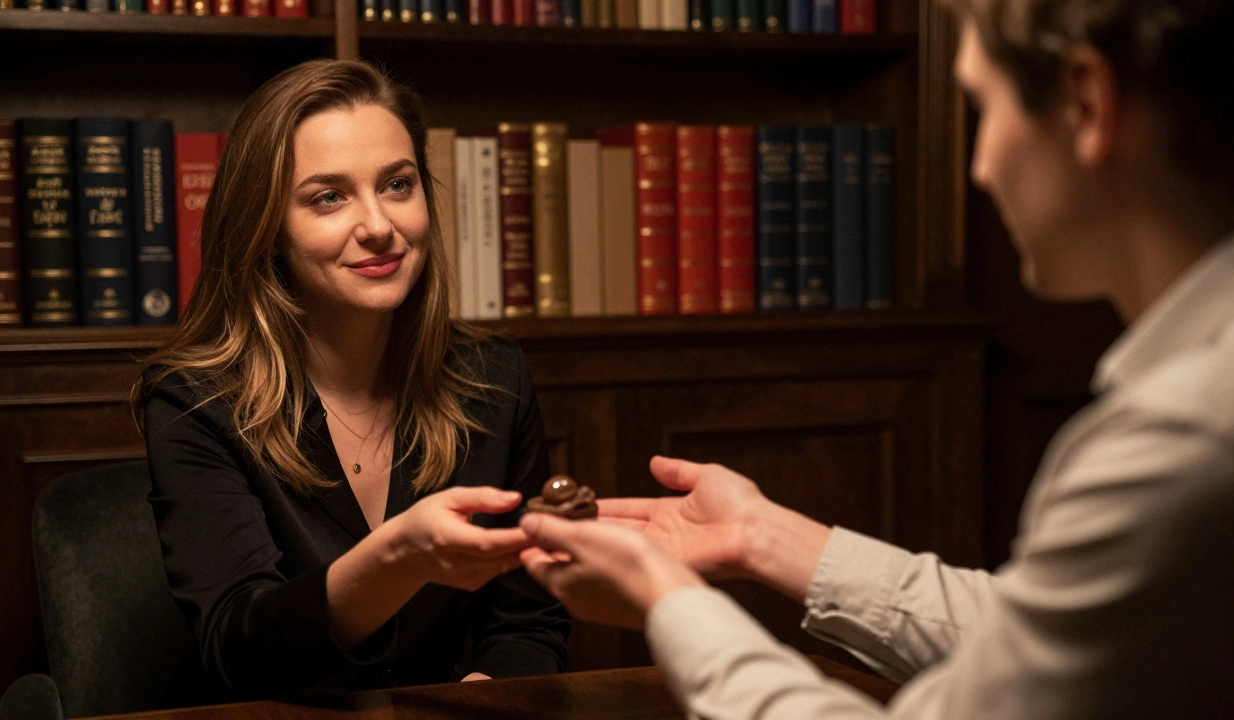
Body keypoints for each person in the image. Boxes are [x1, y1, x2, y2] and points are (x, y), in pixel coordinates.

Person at [519, 0, 1234, 717]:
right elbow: (1043, 636)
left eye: (982, 108)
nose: (981, 168)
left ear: (1088, 105)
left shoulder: (1179, 442)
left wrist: (665, 602)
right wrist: (758, 535)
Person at [136, 59, 569, 702]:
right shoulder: (194, 401)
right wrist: (398, 559)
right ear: (266, 228)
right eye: (328, 197)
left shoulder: (494, 379)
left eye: (397, 185)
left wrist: (488, 692)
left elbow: (529, 620)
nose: (378, 226)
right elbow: (238, 648)